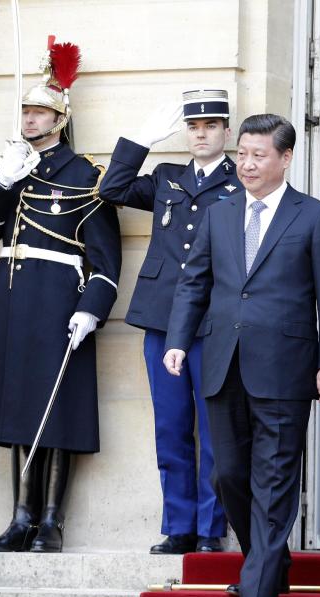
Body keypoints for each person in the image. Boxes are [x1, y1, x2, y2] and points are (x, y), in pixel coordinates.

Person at [163, 114, 320, 597]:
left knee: (275, 481)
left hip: (287, 371)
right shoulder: (219, 216)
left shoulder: (313, 217)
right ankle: (268, 560)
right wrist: (178, 341)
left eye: (258, 154)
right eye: (241, 153)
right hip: (223, 364)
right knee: (228, 476)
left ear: (285, 158)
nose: (246, 163)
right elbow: (194, 284)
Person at [0, 39, 121, 553]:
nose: (31, 119)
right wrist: (1, 182)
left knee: (55, 407)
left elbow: (106, 259)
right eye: (27, 111)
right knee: (17, 406)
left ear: (60, 118)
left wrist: (91, 310)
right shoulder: (9, 167)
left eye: (41, 112)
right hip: (10, 297)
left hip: (59, 299)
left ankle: (51, 521)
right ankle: (19, 517)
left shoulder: (84, 175)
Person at [100, 91, 239, 554]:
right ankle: (178, 525)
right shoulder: (166, 177)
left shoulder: (241, 182)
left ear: (226, 131)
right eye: (194, 127)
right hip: (162, 318)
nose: (201, 134)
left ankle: (209, 528)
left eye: (211, 126)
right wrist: (139, 140)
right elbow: (112, 190)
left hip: (214, 321)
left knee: (215, 429)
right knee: (172, 426)